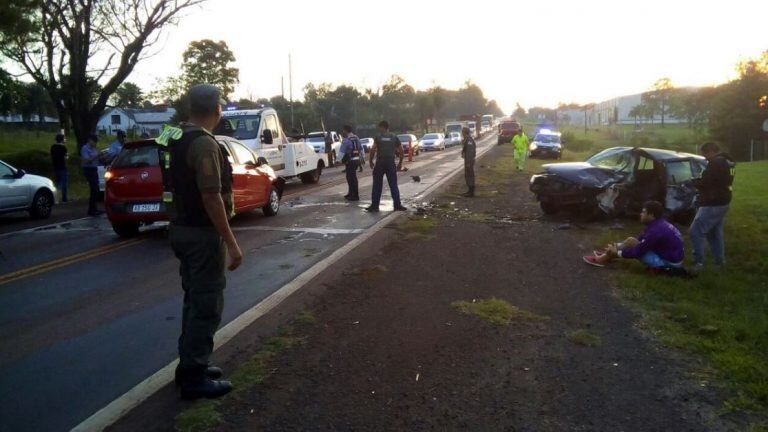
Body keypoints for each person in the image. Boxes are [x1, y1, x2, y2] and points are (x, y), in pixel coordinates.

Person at [164, 84, 243, 400]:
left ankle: (190, 365)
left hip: (180, 228)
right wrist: (232, 243)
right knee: (207, 303)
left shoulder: (175, 136)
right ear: (217, 110)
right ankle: (194, 377)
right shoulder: (204, 144)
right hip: (201, 234)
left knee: (193, 299)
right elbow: (211, 197)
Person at [583, 201, 684, 269]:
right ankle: (608, 253)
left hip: (668, 264)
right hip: (670, 257)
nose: (640, 214)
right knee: (631, 240)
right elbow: (638, 240)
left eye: (643, 212)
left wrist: (618, 253)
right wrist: (617, 246)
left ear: (651, 215)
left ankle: (602, 259)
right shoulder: (658, 223)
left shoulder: (656, 231)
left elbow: (638, 252)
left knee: (633, 247)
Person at [689, 142, 734, 272]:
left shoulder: (715, 163)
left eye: (705, 154)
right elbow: (718, 181)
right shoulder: (727, 161)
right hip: (723, 201)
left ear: (710, 151)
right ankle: (719, 262)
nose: (705, 158)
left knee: (695, 231)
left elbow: (707, 182)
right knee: (715, 233)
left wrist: (694, 182)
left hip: (712, 203)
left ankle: (698, 263)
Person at [366, 120, 407, 212]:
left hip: (380, 163)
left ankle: (375, 206)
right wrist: (400, 163)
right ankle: (397, 205)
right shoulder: (394, 137)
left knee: (377, 185)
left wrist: (371, 161)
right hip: (390, 163)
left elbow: (373, 150)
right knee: (393, 185)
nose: (378, 129)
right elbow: (401, 151)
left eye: (379, 127)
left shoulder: (378, 137)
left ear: (382, 127)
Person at [80, 134, 101, 216]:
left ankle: (94, 209)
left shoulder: (94, 149)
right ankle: (91, 210)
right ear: (90, 140)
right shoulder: (85, 148)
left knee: (96, 189)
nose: (95, 143)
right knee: (93, 188)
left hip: (94, 169)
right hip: (88, 169)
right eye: (94, 141)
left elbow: (97, 160)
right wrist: (96, 156)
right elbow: (86, 160)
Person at [339, 125, 362, 201]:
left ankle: (355, 195)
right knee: (351, 177)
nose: (342, 132)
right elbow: (361, 149)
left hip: (350, 161)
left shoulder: (346, 140)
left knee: (351, 178)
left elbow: (342, 151)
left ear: (346, 131)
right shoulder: (356, 138)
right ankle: (351, 193)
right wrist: (362, 159)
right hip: (356, 160)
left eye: (343, 130)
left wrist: (337, 160)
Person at [50, 133, 68, 203]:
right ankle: (64, 199)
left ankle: (56, 199)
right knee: (63, 184)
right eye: (64, 138)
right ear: (62, 139)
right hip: (63, 167)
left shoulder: (53, 147)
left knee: (57, 183)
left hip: (55, 167)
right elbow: (66, 157)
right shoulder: (63, 147)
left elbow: (51, 156)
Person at [460, 126, 476, 197]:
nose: (461, 133)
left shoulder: (469, 140)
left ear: (464, 132)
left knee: (470, 175)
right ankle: (469, 191)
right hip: (468, 160)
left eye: (462, 132)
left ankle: (471, 192)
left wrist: (469, 162)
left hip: (469, 161)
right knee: (468, 175)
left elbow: (470, 151)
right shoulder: (467, 139)